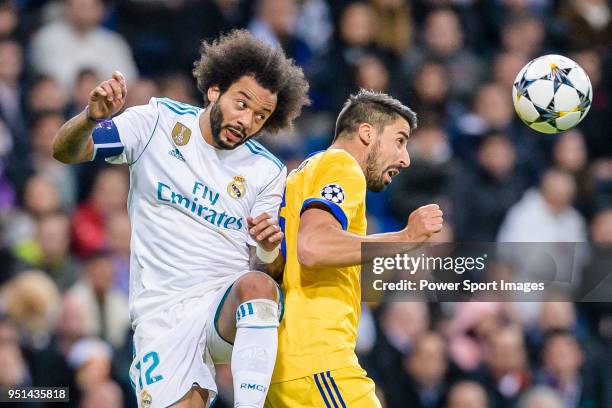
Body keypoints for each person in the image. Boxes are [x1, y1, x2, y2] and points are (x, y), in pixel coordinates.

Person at [52, 29, 309, 408]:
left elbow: (267, 269)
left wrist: (271, 249)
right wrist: (90, 118)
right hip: (162, 311)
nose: (248, 120)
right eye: (242, 104)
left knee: (258, 286)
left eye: (261, 115)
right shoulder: (156, 122)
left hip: (221, 306)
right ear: (215, 90)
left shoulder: (266, 171)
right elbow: (66, 151)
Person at [266, 90, 443, 407]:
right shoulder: (343, 166)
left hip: (283, 364)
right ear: (367, 132)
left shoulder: (304, 174)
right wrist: (405, 238)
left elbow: (282, 261)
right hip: (317, 361)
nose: (406, 158)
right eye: (400, 141)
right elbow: (313, 246)